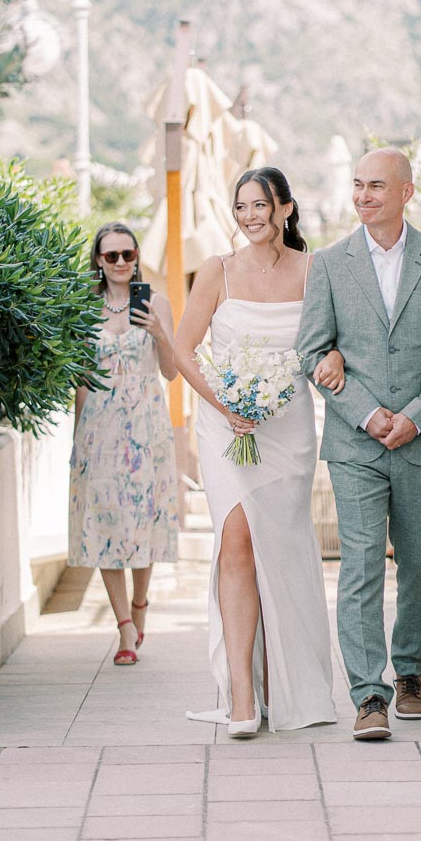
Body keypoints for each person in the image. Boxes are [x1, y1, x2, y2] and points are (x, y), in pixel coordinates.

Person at [297, 148, 421, 740]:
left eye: (376, 186)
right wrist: (367, 414)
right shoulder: (329, 263)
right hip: (356, 444)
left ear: (406, 193)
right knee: (362, 566)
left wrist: (416, 417)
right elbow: (311, 351)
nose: (364, 196)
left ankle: (411, 673)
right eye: (357, 185)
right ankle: (368, 695)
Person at [174, 167, 344, 737]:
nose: (249, 216)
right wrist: (224, 404)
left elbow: (332, 339)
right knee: (237, 539)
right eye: (241, 206)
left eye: (260, 205)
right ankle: (242, 695)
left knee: (285, 549)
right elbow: (183, 348)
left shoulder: (313, 269)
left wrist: (336, 358)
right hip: (227, 426)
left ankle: (288, 684)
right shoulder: (216, 271)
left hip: (288, 427)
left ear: (286, 210)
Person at [69, 222, 179, 665]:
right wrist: (78, 441)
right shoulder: (83, 309)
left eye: (127, 255)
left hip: (145, 429)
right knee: (104, 525)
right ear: (97, 260)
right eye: (110, 256)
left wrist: (159, 332)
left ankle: (141, 602)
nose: (119, 263)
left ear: (136, 257)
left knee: (141, 520)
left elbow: (172, 372)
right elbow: (78, 381)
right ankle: (125, 629)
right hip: (100, 430)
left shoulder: (157, 304)